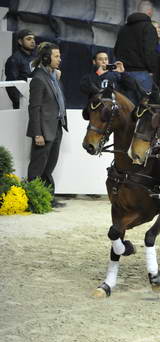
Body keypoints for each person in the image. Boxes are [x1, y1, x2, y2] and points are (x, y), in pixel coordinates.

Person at [26, 42, 68, 208]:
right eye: (56, 56)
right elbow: (34, 109)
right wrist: (37, 133)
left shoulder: (52, 76)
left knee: (49, 166)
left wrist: (56, 77)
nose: (59, 59)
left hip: (56, 127)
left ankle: (47, 198)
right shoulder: (38, 78)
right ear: (46, 57)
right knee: (37, 168)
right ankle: (33, 200)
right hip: (43, 130)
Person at [114, 0, 159, 92]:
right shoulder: (149, 27)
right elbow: (150, 52)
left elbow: (116, 50)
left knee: (126, 105)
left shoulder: (123, 29)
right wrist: (152, 70)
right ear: (150, 12)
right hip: (141, 75)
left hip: (123, 74)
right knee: (144, 105)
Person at [79, 51, 145, 105]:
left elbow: (132, 86)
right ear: (94, 62)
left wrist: (123, 73)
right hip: (97, 108)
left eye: (106, 59)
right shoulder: (89, 77)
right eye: (100, 59)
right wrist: (99, 74)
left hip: (116, 108)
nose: (104, 61)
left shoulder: (116, 75)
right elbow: (84, 87)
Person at [5, 29, 36, 109]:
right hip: (23, 105)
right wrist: (20, 103)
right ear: (20, 42)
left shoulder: (36, 58)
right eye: (28, 39)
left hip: (37, 102)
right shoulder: (14, 59)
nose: (32, 41)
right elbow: (11, 84)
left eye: (33, 39)